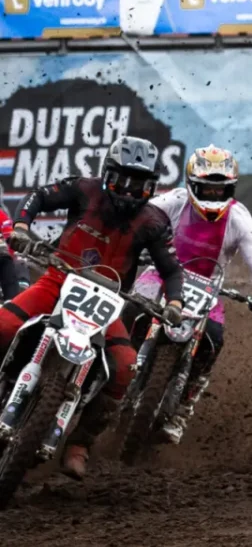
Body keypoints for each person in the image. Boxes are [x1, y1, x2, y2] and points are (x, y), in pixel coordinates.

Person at [1, 137, 184, 478]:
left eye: (139, 184)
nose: (128, 191)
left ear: (152, 187)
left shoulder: (154, 222)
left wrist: (174, 303)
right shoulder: (83, 189)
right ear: (107, 175)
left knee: (126, 369)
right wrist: (22, 227)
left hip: (107, 302)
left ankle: (79, 443)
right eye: (122, 180)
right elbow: (38, 196)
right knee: (4, 326)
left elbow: (172, 270)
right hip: (58, 279)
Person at [135, 147, 252, 444]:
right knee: (131, 311)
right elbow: (137, 220)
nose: (213, 195)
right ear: (192, 184)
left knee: (213, 339)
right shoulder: (174, 201)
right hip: (162, 272)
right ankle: (101, 375)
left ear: (230, 188)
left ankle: (183, 409)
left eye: (219, 189)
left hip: (208, 286)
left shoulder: (239, 219)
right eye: (207, 188)